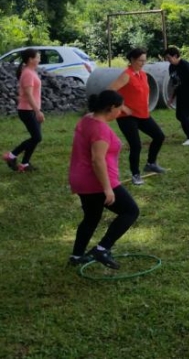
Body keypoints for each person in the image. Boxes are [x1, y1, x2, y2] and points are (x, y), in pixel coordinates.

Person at [68, 90, 140, 269]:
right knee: (130, 211)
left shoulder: (88, 119)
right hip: (97, 182)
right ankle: (102, 249)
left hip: (81, 179)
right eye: (119, 108)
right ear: (111, 108)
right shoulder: (100, 129)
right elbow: (97, 159)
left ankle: (76, 256)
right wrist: (107, 188)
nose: (121, 111)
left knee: (91, 217)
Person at [108, 48, 166, 185]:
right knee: (136, 145)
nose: (143, 63)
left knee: (159, 136)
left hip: (142, 114)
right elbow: (109, 91)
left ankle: (151, 163)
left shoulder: (143, 75)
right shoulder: (126, 75)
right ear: (132, 60)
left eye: (144, 60)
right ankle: (135, 174)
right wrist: (122, 107)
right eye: (140, 60)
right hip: (127, 117)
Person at [3, 48, 44, 172]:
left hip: (31, 109)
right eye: (37, 57)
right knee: (37, 137)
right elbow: (29, 95)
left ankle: (25, 164)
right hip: (27, 110)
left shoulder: (30, 71)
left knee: (35, 137)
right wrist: (37, 111)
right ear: (31, 59)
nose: (39, 59)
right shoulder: (27, 73)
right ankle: (11, 156)